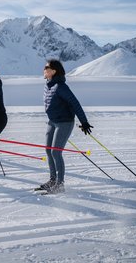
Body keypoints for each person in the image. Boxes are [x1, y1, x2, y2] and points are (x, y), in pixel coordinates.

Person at [39, 59, 93, 194]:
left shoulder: (61, 87)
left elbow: (75, 103)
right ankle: (52, 180)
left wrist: (84, 122)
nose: (44, 69)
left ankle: (59, 184)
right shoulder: (48, 84)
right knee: (48, 150)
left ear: (54, 71)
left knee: (55, 152)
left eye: (47, 67)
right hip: (52, 121)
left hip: (64, 122)